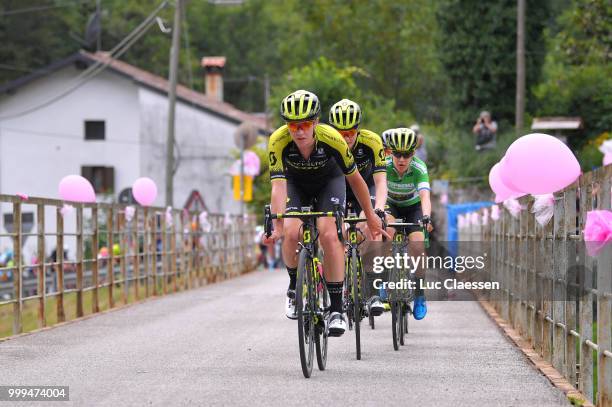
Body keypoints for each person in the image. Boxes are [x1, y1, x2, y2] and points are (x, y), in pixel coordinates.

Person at [262, 90, 388, 337]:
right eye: (293, 125)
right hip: (295, 184)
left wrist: (371, 215)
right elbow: (278, 186)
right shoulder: (278, 140)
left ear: (316, 123)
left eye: (305, 124)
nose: (299, 131)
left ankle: (337, 310)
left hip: (329, 182)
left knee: (329, 235)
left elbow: (356, 181)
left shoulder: (332, 138)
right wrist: (277, 226)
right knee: (289, 232)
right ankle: (293, 287)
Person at [328, 98, 387, 316]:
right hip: (339, 190)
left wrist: (379, 209)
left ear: (358, 128)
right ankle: (340, 280)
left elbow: (381, 181)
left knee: (370, 227)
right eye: (341, 132)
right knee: (335, 233)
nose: (347, 137)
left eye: (351, 131)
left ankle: (372, 290)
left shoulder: (372, 141)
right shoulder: (326, 143)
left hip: (367, 188)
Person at [384, 128, 433, 320]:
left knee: (418, 245)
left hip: (413, 208)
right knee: (387, 229)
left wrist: (427, 216)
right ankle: (383, 279)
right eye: (397, 154)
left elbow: (425, 195)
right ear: (391, 152)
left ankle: (420, 295)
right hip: (391, 206)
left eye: (407, 154)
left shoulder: (419, 168)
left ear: (414, 153)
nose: (402, 159)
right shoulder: (385, 166)